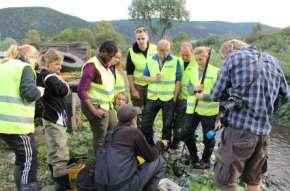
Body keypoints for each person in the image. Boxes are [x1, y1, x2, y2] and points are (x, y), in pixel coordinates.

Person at [197, 39, 289, 191]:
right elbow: (286, 96)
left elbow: (215, 94)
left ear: (231, 49)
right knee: (253, 181)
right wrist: (266, 107)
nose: (224, 60)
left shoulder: (234, 58)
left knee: (227, 182)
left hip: (238, 133)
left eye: (223, 57)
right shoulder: (274, 61)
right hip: (264, 135)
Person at [93, 104, 167, 191]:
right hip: (122, 187)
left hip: (100, 185)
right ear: (133, 119)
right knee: (160, 161)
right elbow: (151, 156)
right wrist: (160, 144)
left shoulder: (110, 133)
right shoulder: (133, 133)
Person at [0, 44, 42, 191]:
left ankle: (20, 186)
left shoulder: (3, 65)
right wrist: (39, 91)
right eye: (36, 59)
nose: (36, 64)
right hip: (16, 125)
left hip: (2, 123)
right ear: (30, 57)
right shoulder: (24, 68)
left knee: (21, 158)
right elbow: (29, 94)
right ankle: (28, 187)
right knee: (29, 159)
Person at [179, 47, 220, 169]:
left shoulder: (216, 71)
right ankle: (194, 156)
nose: (198, 61)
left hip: (209, 111)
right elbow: (188, 88)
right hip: (193, 109)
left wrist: (204, 96)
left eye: (201, 59)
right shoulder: (192, 71)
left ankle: (206, 160)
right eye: (196, 59)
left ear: (207, 56)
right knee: (186, 133)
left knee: (208, 137)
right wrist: (195, 89)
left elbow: (220, 94)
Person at [37, 49, 71, 190]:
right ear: (48, 63)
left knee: (53, 150)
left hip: (50, 117)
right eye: (57, 64)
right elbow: (63, 91)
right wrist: (64, 82)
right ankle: (62, 185)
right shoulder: (50, 77)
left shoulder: (42, 75)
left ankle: (55, 180)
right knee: (60, 152)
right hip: (55, 119)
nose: (60, 67)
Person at [77, 40, 118, 151]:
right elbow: (81, 91)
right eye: (110, 56)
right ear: (103, 52)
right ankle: (100, 162)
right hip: (95, 106)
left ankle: (109, 157)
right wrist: (94, 111)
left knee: (114, 131)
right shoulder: (92, 66)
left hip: (107, 106)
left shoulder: (106, 66)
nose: (112, 59)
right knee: (101, 136)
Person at [141, 39, 181, 146]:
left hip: (168, 98)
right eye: (162, 50)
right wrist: (153, 79)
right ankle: (150, 145)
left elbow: (178, 80)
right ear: (157, 49)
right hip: (152, 98)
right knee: (145, 123)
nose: (165, 53)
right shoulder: (150, 60)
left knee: (167, 125)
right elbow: (144, 77)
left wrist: (175, 97)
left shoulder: (175, 61)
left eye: (167, 50)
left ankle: (164, 146)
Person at [170, 42, 198, 150]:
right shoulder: (177, 61)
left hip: (191, 99)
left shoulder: (197, 64)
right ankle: (176, 141)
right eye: (183, 55)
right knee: (177, 121)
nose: (185, 57)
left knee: (189, 124)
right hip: (179, 98)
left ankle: (189, 143)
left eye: (187, 55)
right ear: (180, 53)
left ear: (192, 52)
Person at [126, 27, 157, 108]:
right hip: (138, 86)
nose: (141, 41)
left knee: (150, 111)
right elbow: (129, 73)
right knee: (137, 112)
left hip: (152, 85)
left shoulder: (155, 49)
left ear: (147, 37)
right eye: (138, 39)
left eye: (143, 38)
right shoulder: (131, 51)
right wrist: (133, 90)